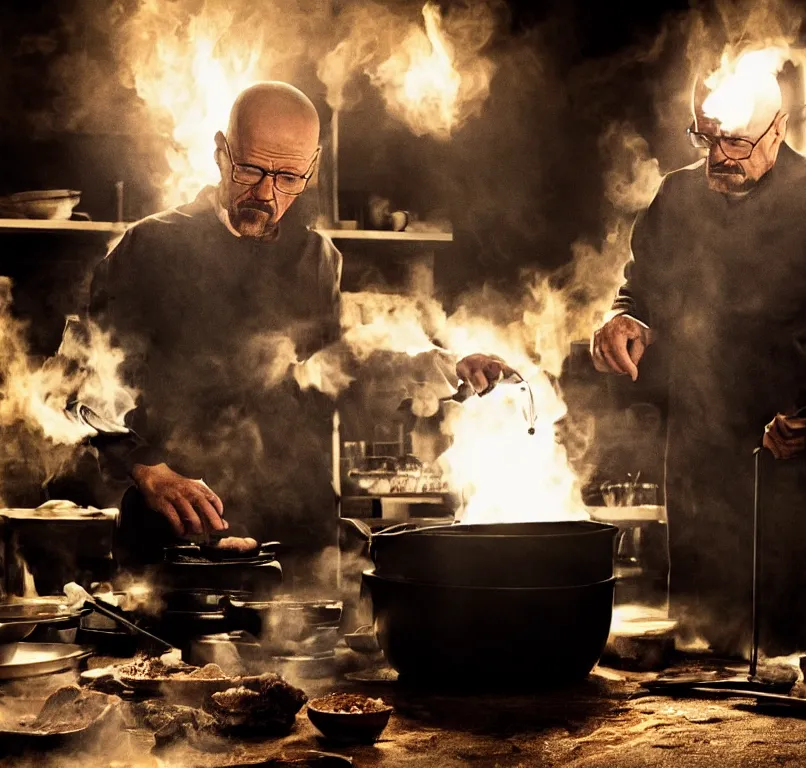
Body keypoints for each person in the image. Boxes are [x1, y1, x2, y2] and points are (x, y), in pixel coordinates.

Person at [89, 82, 510, 583]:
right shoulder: (148, 246)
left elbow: (331, 373)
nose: (266, 193)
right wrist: (147, 469)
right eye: (251, 169)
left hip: (296, 540)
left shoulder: (317, 259)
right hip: (173, 541)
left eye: (289, 177)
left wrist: (440, 368)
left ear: (310, 169)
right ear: (221, 153)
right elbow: (84, 382)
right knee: (167, 665)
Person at [591, 63, 806, 656]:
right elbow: (639, 295)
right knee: (698, 668)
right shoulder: (677, 197)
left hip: (793, 484)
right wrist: (623, 321)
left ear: (777, 129)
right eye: (705, 137)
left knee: (802, 670)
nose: (718, 156)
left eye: (736, 141)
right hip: (699, 474)